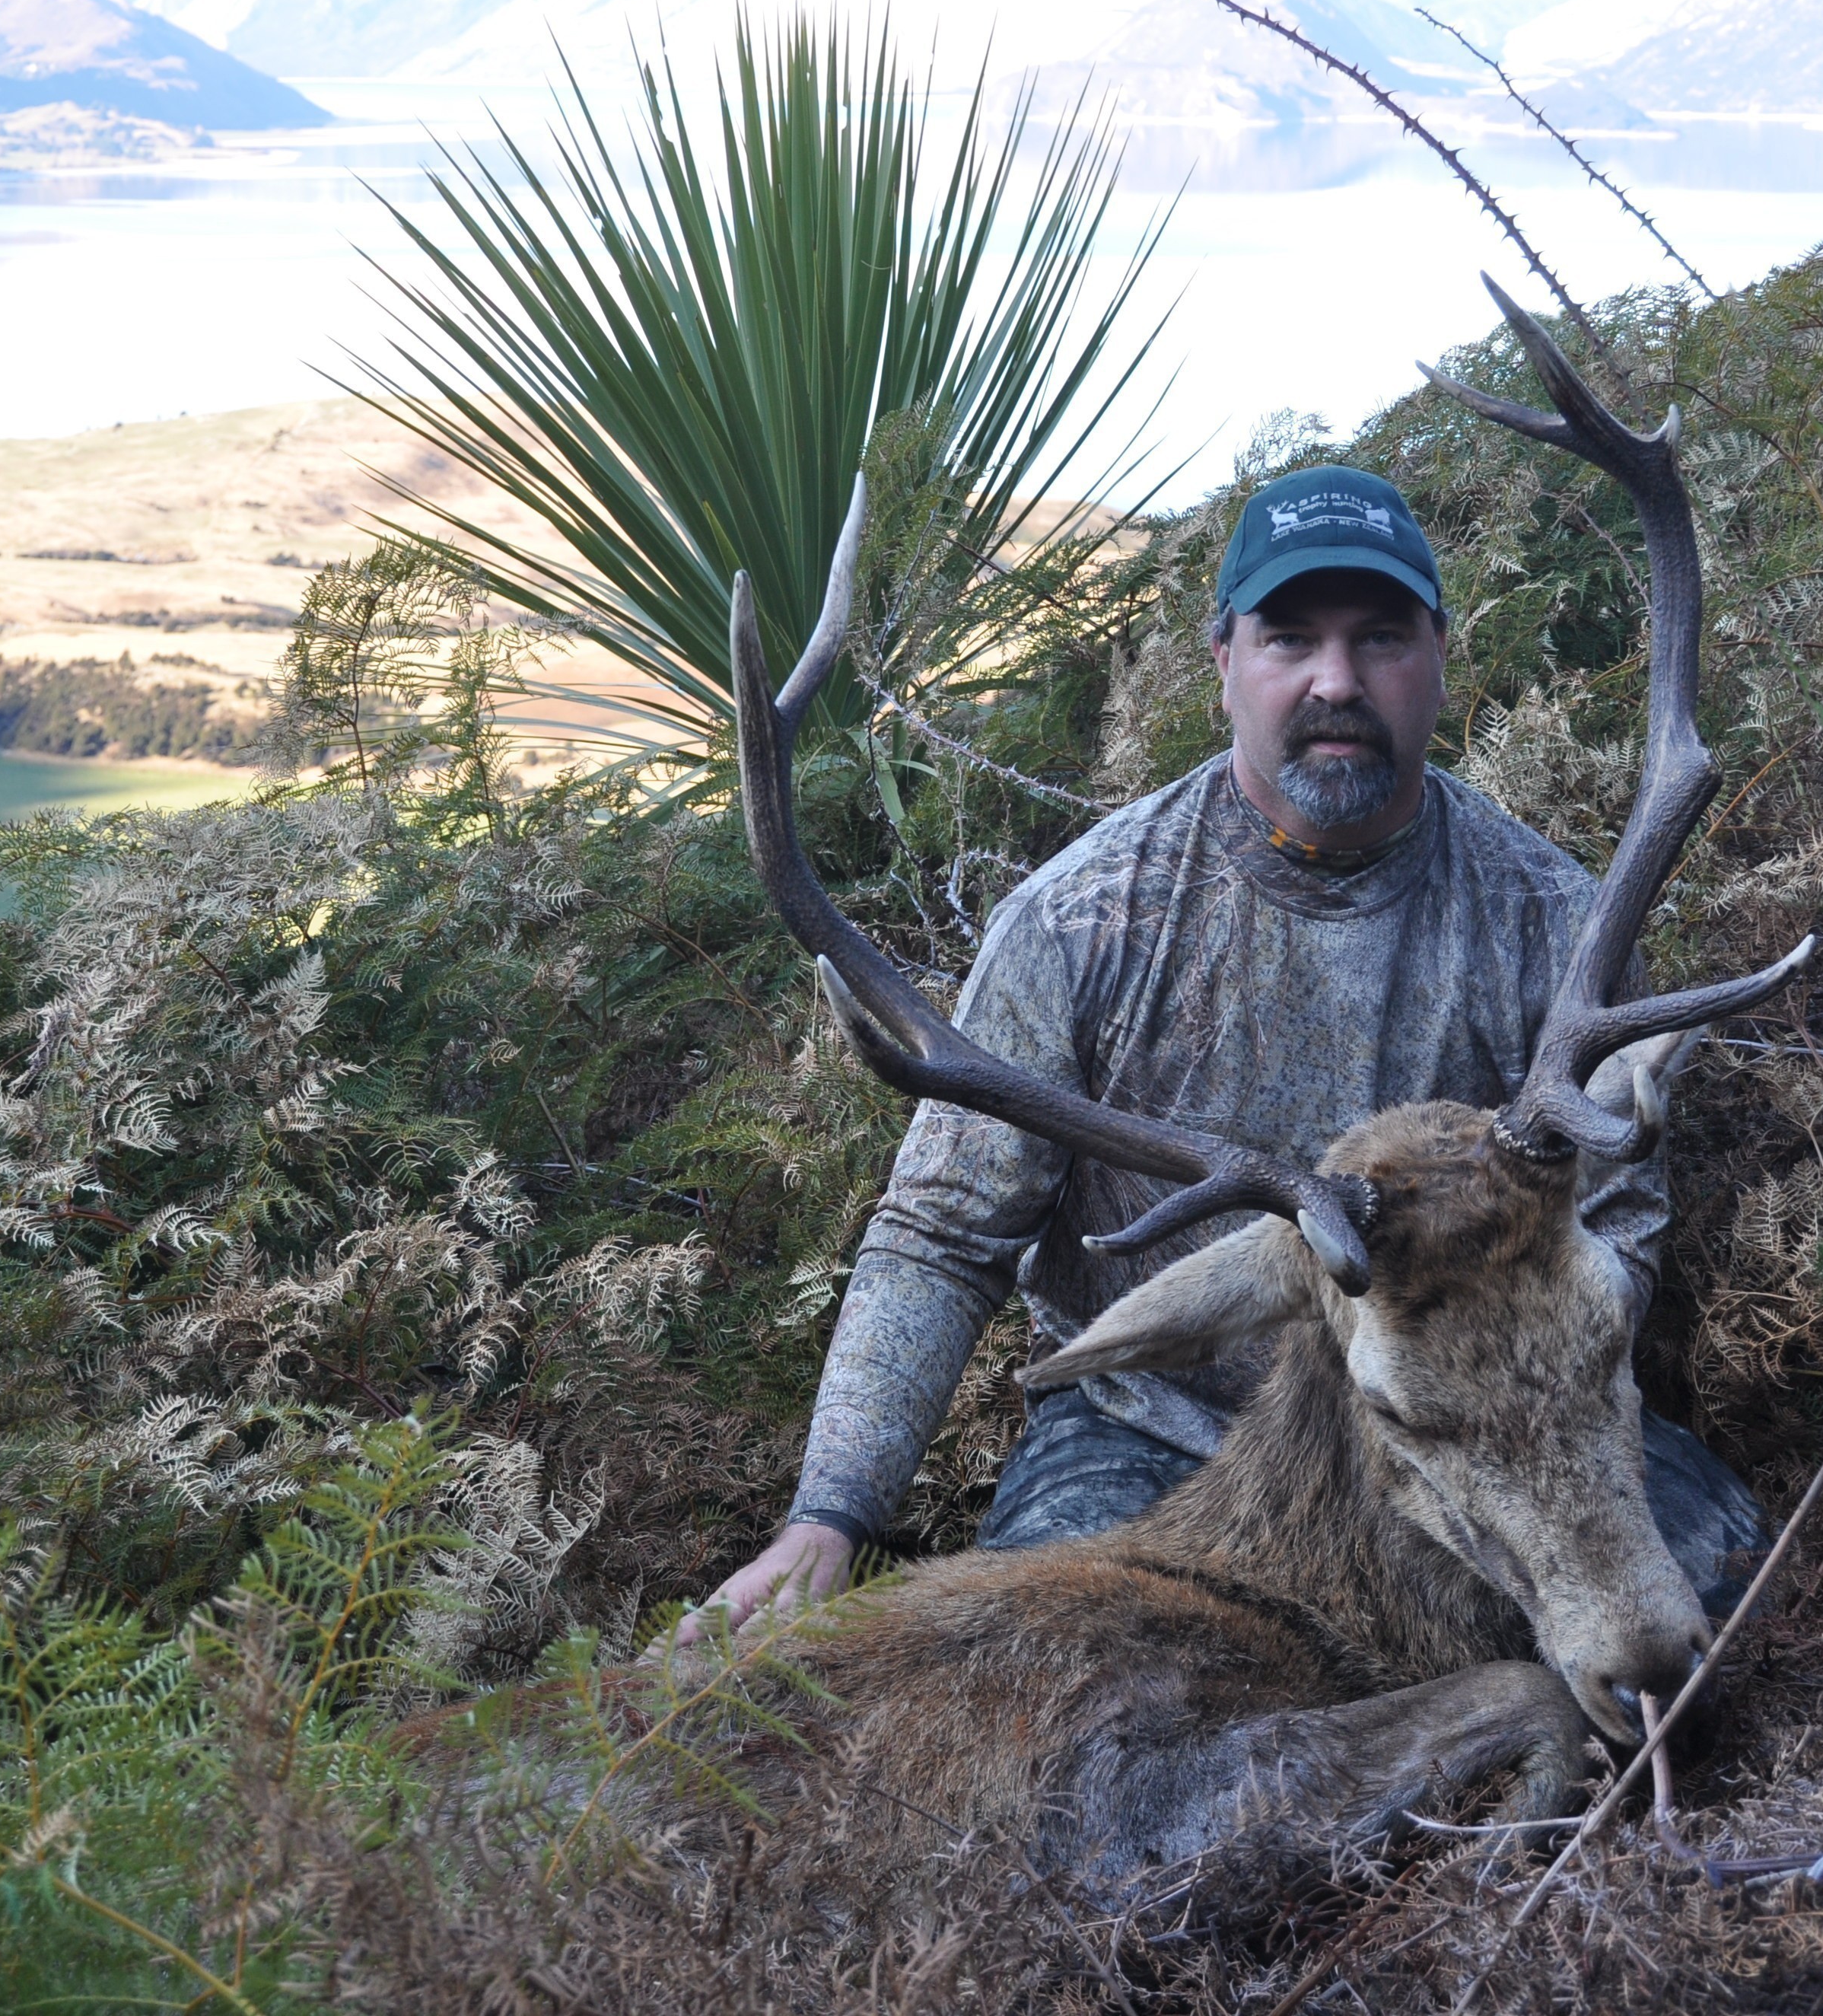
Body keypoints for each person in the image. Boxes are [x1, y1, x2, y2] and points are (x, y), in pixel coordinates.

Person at [686, 463, 1761, 1642]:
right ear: (1224, 666)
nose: (1337, 681)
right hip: (1153, 1433)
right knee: (1062, 1674)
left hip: (1488, 1429)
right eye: (1290, 637)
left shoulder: (1554, 919)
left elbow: (1620, 1216)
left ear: (1441, 660)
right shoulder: (1081, 921)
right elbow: (943, 1234)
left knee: (1714, 1606)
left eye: (1382, 639)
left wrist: (1502, 1381)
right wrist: (828, 1519)